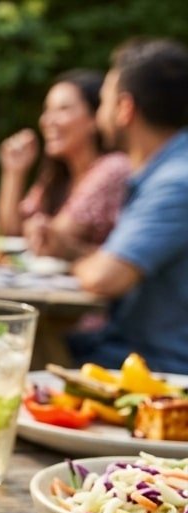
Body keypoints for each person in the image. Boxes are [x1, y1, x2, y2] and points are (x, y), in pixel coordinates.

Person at [69, 38, 188, 374]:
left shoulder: (176, 182)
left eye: (103, 101)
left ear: (125, 108)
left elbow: (104, 278)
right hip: (132, 352)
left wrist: (79, 264)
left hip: (161, 369)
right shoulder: (163, 172)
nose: (99, 115)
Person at [0, 70, 130, 261]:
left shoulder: (113, 168)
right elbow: (11, 231)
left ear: (95, 118)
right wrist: (14, 172)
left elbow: (48, 238)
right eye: (47, 110)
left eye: (63, 109)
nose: (47, 121)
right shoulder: (57, 176)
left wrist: (35, 228)